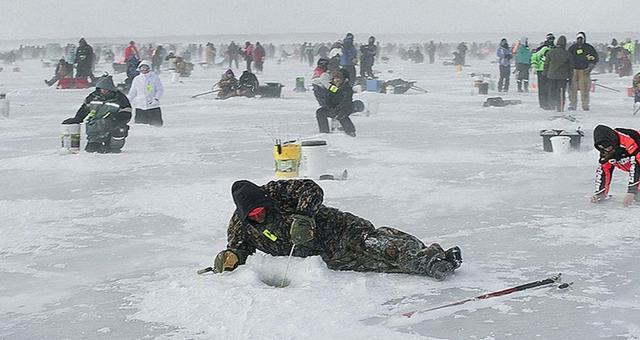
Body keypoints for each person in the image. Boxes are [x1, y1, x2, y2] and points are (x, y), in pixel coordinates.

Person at [210, 179, 463, 281]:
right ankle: (435, 259)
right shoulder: (240, 223)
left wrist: (304, 217)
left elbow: (311, 189)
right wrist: (231, 257)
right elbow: (237, 247)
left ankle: (432, 261)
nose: (259, 215)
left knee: (381, 247)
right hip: (328, 256)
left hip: (341, 230)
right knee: (378, 265)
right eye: (253, 215)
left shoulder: (276, 192)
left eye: (260, 210)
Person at [61, 76, 132, 153]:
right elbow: (84, 109)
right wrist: (77, 118)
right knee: (91, 150)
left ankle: (113, 146)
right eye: (102, 89)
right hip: (95, 128)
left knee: (113, 146)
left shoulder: (119, 97)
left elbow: (127, 111)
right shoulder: (93, 96)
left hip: (112, 127)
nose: (103, 91)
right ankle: (96, 144)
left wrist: (118, 120)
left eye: (106, 89)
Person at [591, 125, 640, 207]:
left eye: (608, 147)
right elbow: (604, 170)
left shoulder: (628, 140)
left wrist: (631, 191)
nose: (607, 150)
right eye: (603, 148)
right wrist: (600, 194)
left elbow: (637, 163)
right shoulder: (605, 151)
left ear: (612, 140)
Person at [316, 68, 357, 137]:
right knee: (320, 112)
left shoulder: (347, 88)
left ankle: (350, 131)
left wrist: (337, 109)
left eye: (339, 79)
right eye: (335, 78)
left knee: (341, 115)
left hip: (345, 108)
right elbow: (328, 99)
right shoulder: (333, 88)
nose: (337, 80)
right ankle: (324, 131)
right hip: (334, 107)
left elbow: (345, 101)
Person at [567, 32, 599, 111]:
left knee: (584, 89)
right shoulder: (572, 48)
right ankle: (572, 104)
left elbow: (595, 58)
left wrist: (590, 67)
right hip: (574, 71)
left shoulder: (589, 48)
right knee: (572, 90)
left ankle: (585, 105)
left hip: (584, 71)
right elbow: (567, 59)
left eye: (581, 38)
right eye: (578, 38)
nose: (580, 40)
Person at [128, 60, 164, 126]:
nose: (143, 70)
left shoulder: (154, 78)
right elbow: (133, 92)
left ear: (149, 68)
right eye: (142, 68)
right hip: (140, 106)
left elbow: (160, 90)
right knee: (140, 126)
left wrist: (156, 99)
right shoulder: (137, 79)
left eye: (145, 68)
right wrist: (127, 101)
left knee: (156, 125)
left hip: (153, 107)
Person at [543, 35, 573, 112]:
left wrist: (545, 74)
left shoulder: (551, 52)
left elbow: (546, 64)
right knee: (561, 92)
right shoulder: (568, 54)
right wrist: (570, 78)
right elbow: (570, 68)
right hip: (562, 76)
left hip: (551, 75)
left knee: (552, 91)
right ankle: (560, 107)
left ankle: (552, 105)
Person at [531, 33, 555, 109]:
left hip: (551, 71)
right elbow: (534, 57)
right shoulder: (541, 48)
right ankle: (543, 104)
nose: (551, 40)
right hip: (541, 70)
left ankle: (550, 103)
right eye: (550, 39)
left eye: (552, 39)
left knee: (551, 88)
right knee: (542, 88)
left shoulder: (554, 48)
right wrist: (534, 66)